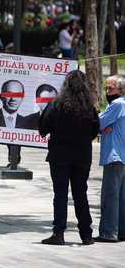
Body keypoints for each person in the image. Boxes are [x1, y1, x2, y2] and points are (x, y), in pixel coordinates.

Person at [38, 70, 99, 245]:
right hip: (82, 157)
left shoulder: (56, 105)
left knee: (60, 195)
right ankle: (86, 234)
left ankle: (59, 233)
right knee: (81, 194)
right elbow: (94, 132)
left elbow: (43, 129)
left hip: (60, 156)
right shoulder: (90, 108)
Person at [95, 75, 125, 243]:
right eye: (106, 88)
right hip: (123, 155)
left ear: (120, 90)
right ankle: (121, 231)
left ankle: (108, 232)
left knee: (110, 196)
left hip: (114, 156)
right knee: (121, 197)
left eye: (110, 88)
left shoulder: (117, 104)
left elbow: (98, 122)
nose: (107, 92)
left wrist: (103, 125)